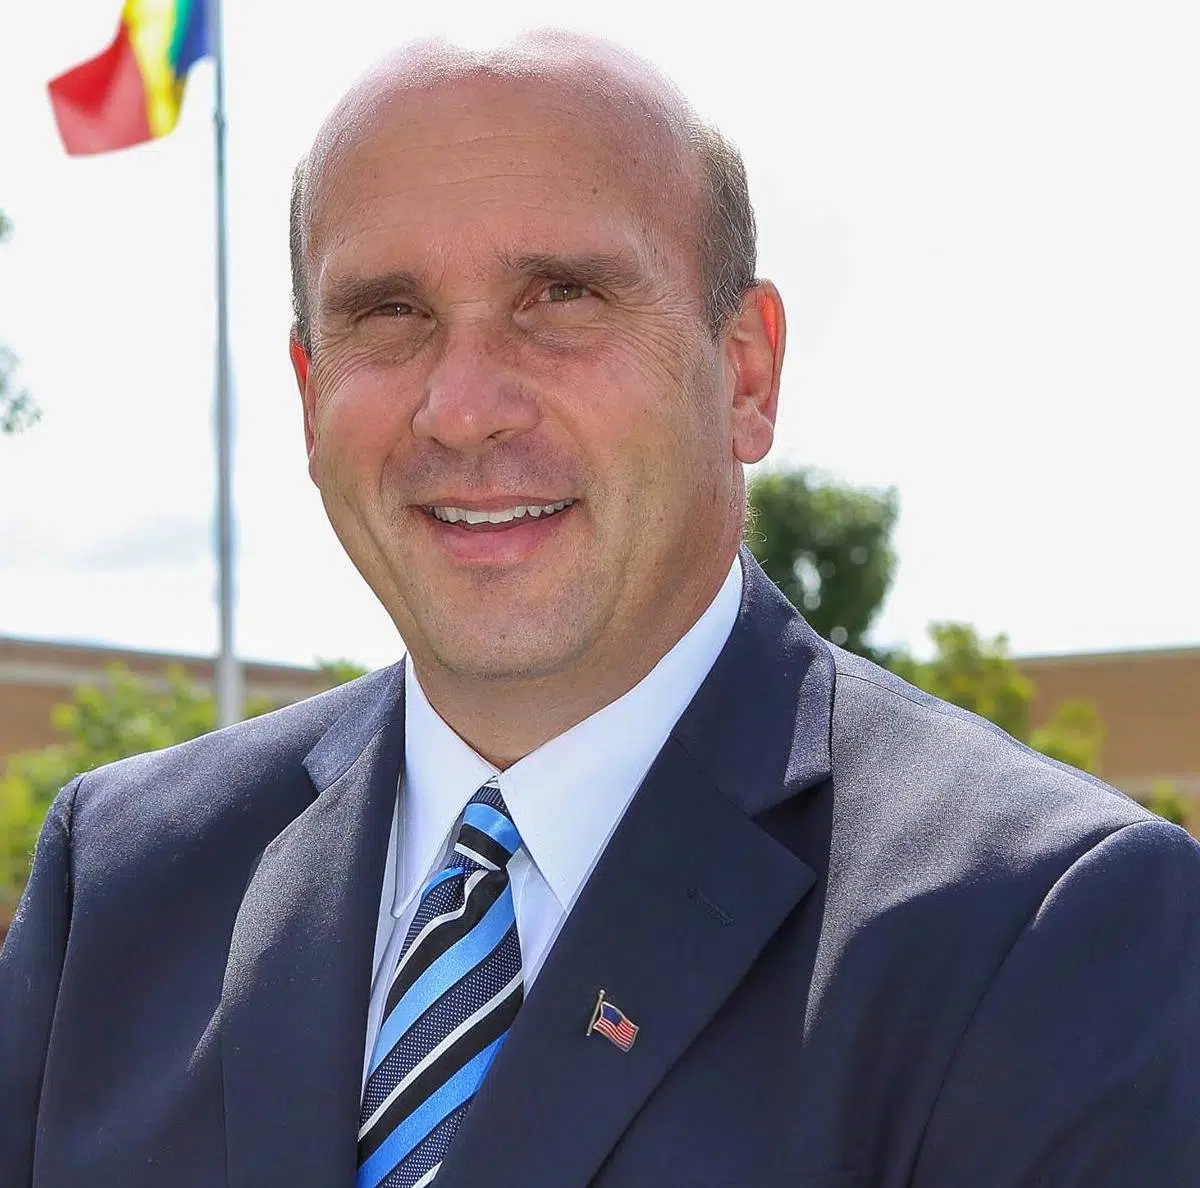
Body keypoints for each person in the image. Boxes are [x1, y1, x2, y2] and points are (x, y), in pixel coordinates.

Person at [2, 30, 1197, 1188]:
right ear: (310, 396)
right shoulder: (118, 890)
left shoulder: (1045, 930)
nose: (464, 408)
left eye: (561, 297)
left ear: (746, 373)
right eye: (391, 313)